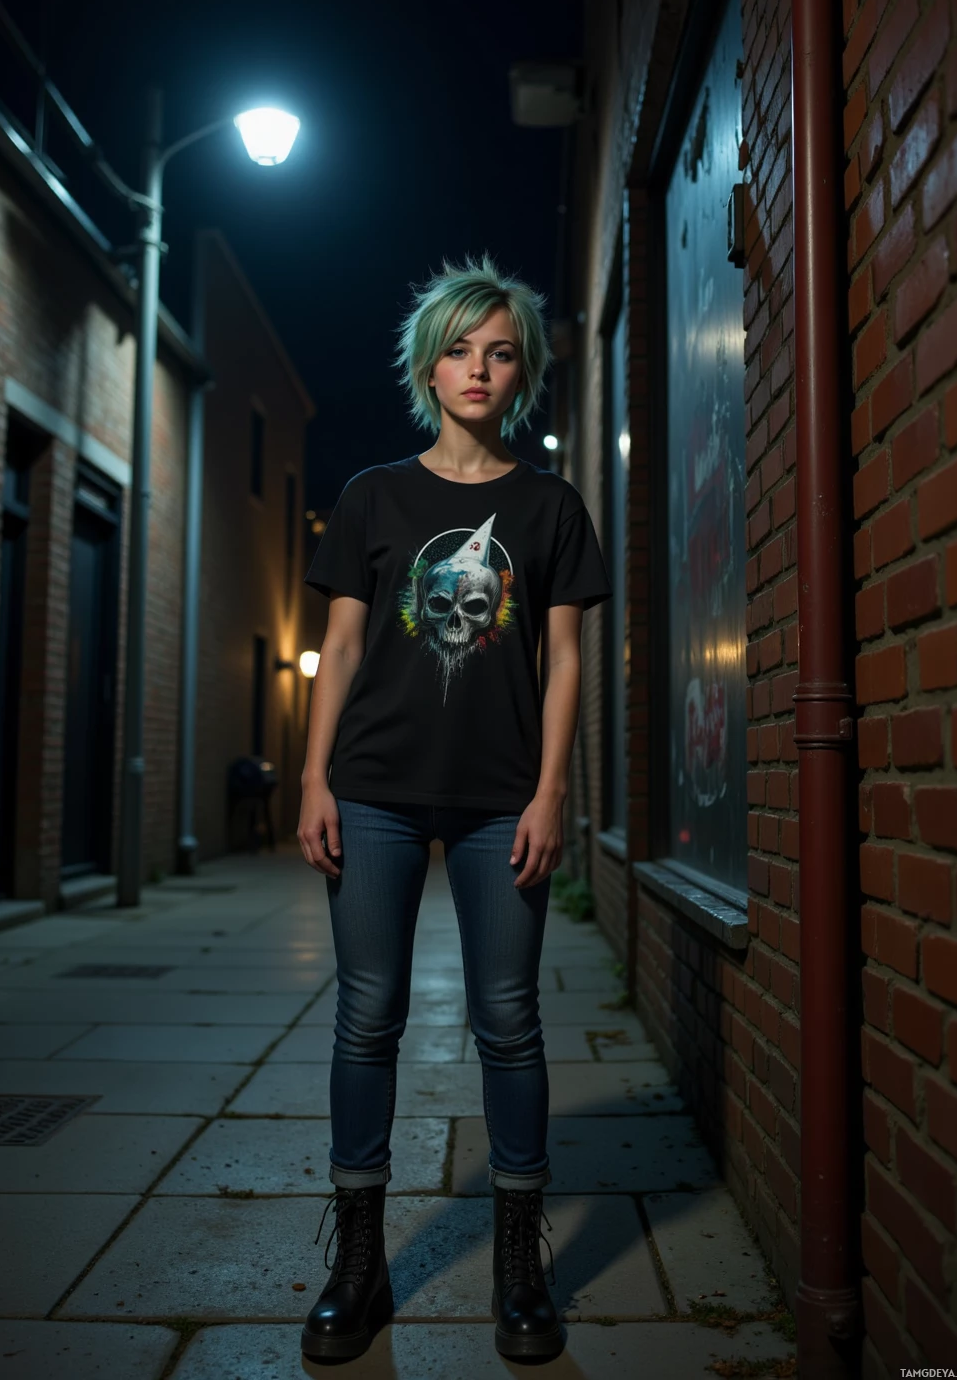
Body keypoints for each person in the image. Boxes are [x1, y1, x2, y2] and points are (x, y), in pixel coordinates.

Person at [297, 255, 611, 1361]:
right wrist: (312, 778)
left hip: (499, 802)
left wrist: (550, 791)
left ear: (519, 371)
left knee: (508, 1022)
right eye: (459, 348)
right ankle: (357, 1264)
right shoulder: (373, 496)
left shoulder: (547, 504)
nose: (478, 368)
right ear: (427, 363)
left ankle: (520, 1272)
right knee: (366, 1015)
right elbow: (338, 648)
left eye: (501, 350)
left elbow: (564, 659)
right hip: (374, 786)